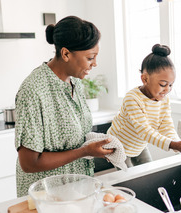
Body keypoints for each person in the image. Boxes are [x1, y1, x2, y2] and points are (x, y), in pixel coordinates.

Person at [14, 16, 114, 197]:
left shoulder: (75, 82)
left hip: (76, 190)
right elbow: (29, 163)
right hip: (46, 197)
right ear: (66, 54)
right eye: (90, 57)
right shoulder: (34, 90)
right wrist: (84, 151)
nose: (95, 64)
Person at [107, 44, 181, 167]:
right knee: (128, 178)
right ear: (145, 79)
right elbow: (145, 131)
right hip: (118, 146)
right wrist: (173, 145)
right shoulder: (132, 98)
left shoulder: (164, 100)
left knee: (149, 170)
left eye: (171, 85)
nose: (167, 89)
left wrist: (179, 144)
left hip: (139, 146)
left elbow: (166, 126)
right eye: (163, 84)